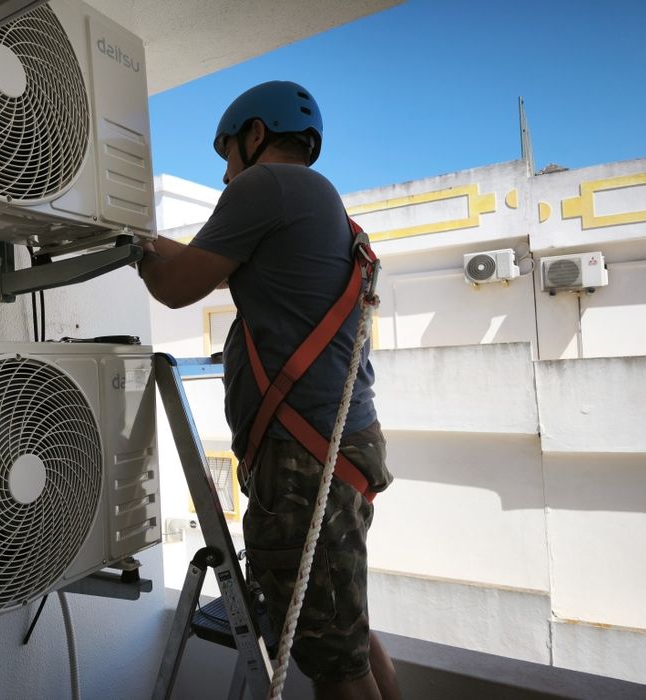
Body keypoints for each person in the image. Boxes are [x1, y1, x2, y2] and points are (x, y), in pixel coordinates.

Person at [137, 80, 400, 700]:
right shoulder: (314, 202)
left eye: (229, 153)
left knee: (333, 664)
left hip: (303, 463)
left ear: (256, 135)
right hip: (334, 449)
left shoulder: (264, 187)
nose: (228, 175)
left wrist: (139, 254)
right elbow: (203, 259)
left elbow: (176, 287)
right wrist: (144, 245)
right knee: (342, 634)